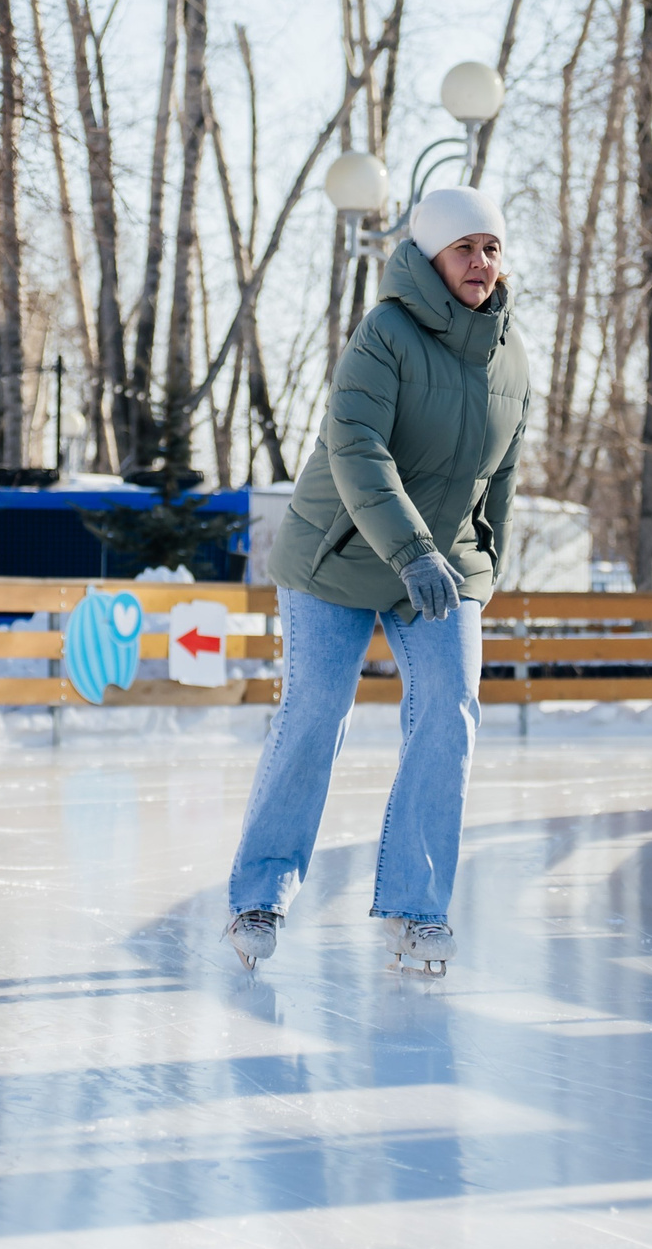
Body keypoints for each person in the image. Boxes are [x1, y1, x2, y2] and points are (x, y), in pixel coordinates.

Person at [225, 186, 531, 974]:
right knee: (316, 711)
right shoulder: (384, 334)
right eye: (464, 247)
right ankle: (259, 894)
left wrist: (483, 564)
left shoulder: (511, 354)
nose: (480, 261)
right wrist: (410, 550)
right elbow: (356, 448)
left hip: (442, 562)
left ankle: (416, 907)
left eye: (491, 247)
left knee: (450, 711)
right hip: (339, 553)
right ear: (430, 255)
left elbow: (501, 477)